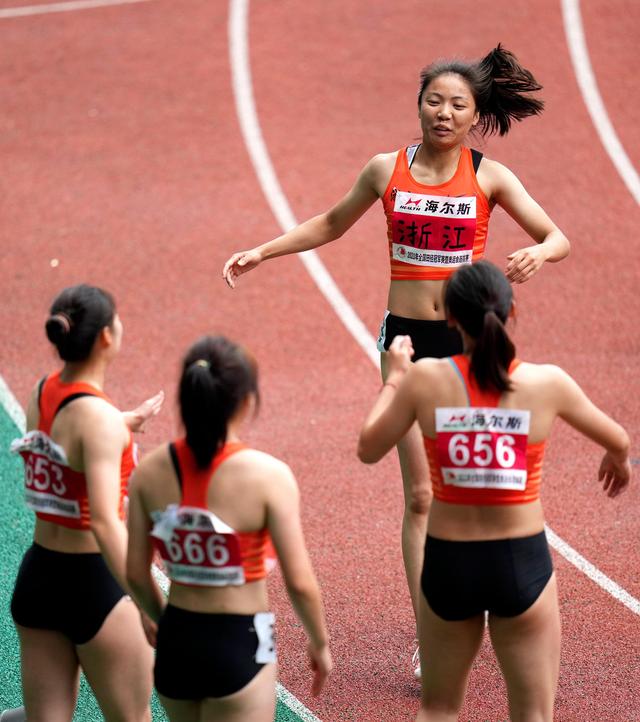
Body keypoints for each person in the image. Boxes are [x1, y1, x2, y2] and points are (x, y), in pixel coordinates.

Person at [222, 44, 570, 674]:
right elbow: (331, 222)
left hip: (469, 345)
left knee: (480, 486)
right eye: (433, 100)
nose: (443, 112)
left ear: (474, 114)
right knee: (419, 497)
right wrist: (263, 251)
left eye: (457, 104)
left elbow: (558, 236)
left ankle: (503, 600)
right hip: (405, 343)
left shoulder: (490, 176)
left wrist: (539, 256)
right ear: (418, 105)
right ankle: (430, 635)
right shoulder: (387, 170)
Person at [357, 260, 631, 721]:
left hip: (449, 562)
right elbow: (619, 439)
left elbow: (368, 448)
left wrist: (395, 377)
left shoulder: (426, 380)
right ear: (512, 312)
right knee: (532, 715)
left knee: (440, 709)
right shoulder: (547, 383)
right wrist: (617, 460)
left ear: (448, 319)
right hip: (520, 562)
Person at [126, 335, 332, 722]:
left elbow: (134, 571)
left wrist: (162, 618)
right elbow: (300, 582)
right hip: (240, 642)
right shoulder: (269, 476)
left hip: (177, 641)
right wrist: (319, 644)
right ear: (247, 402)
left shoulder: (148, 474)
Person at [9, 284, 164, 721]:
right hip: (96, 588)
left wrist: (121, 422)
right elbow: (104, 523)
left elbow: (67, 438)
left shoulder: (43, 390)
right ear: (106, 337)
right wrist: (155, 608)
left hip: (39, 579)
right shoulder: (99, 423)